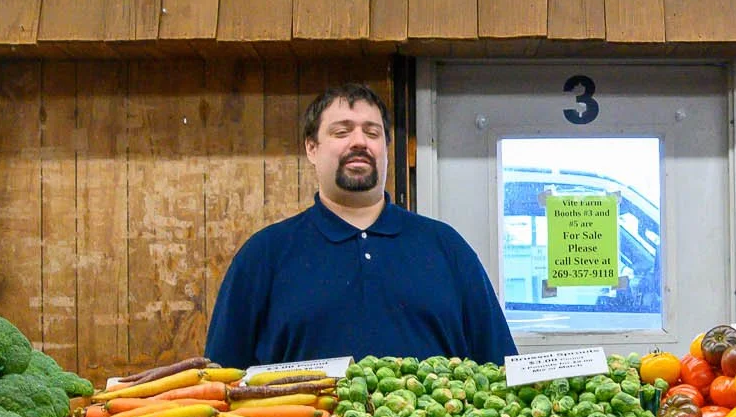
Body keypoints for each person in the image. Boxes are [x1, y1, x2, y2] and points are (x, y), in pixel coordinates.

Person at [204, 84, 518, 369]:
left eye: (372, 133)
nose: (359, 142)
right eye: (341, 132)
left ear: (386, 148)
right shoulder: (263, 256)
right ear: (312, 149)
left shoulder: (446, 248)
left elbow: (502, 370)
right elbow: (221, 383)